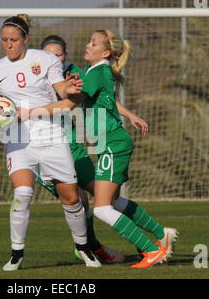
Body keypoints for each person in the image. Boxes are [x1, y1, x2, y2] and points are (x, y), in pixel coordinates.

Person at [0, 14, 101, 271]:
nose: (8, 45)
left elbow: (61, 90)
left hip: (51, 135)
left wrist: (71, 87)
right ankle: (16, 254)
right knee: (22, 194)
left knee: (70, 198)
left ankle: (83, 247)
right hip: (17, 138)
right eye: (4, 40)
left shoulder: (44, 59)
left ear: (25, 39)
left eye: (13, 40)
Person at [19, 30, 179, 268]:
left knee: (102, 207)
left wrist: (30, 112)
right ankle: (160, 234)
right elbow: (101, 99)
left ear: (105, 52)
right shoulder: (93, 72)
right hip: (104, 144)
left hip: (111, 144)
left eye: (92, 43)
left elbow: (69, 103)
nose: (87, 45)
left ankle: (150, 250)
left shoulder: (92, 73)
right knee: (109, 202)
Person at [38, 35, 153, 264]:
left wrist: (129, 114)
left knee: (107, 198)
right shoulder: (34, 77)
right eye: (49, 56)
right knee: (78, 198)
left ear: (66, 56)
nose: (54, 59)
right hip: (46, 146)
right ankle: (90, 247)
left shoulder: (78, 73)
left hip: (72, 144)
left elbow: (101, 97)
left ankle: (155, 241)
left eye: (58, 55)